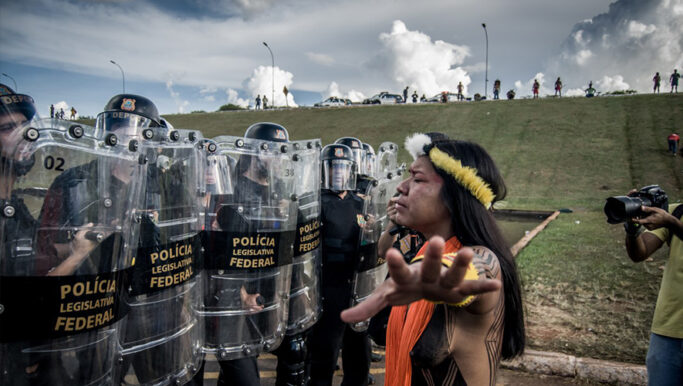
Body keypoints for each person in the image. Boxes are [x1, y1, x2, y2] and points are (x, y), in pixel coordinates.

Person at [342, 133, 525, 385]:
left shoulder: (484, 259)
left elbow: (468, 270)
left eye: (417, 179)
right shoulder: (422, 249)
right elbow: (384, 251)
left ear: (454, 195)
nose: (401, 187)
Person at [307, 143, 371, 386]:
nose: (338, 172)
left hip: (356, 287)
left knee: (359, 353)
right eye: (333, 167)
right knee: (326, 351)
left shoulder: (360, 203)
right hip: (328, 287)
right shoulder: (317, 202)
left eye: (343, 167)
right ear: (325, 170)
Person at [622, 193, 683, 386]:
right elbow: (640, 253)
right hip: (668, 330)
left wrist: (672, 224)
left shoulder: (672, 218)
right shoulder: (676, 211)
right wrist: (632, 228)